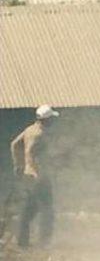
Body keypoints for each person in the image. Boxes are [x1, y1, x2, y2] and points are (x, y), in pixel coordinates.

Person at [10, 104, 59, 247]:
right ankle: (44, 242)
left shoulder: (30, 129)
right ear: (46, 120)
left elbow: (14, 144)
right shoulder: (39, 134)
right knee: (47, 210)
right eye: (51, 119)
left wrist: (18, 165)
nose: (52, 122)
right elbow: (31, 153)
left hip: (28, 176)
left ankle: (22, 242)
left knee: (29, 209)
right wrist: (38, 172)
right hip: (38, 177)